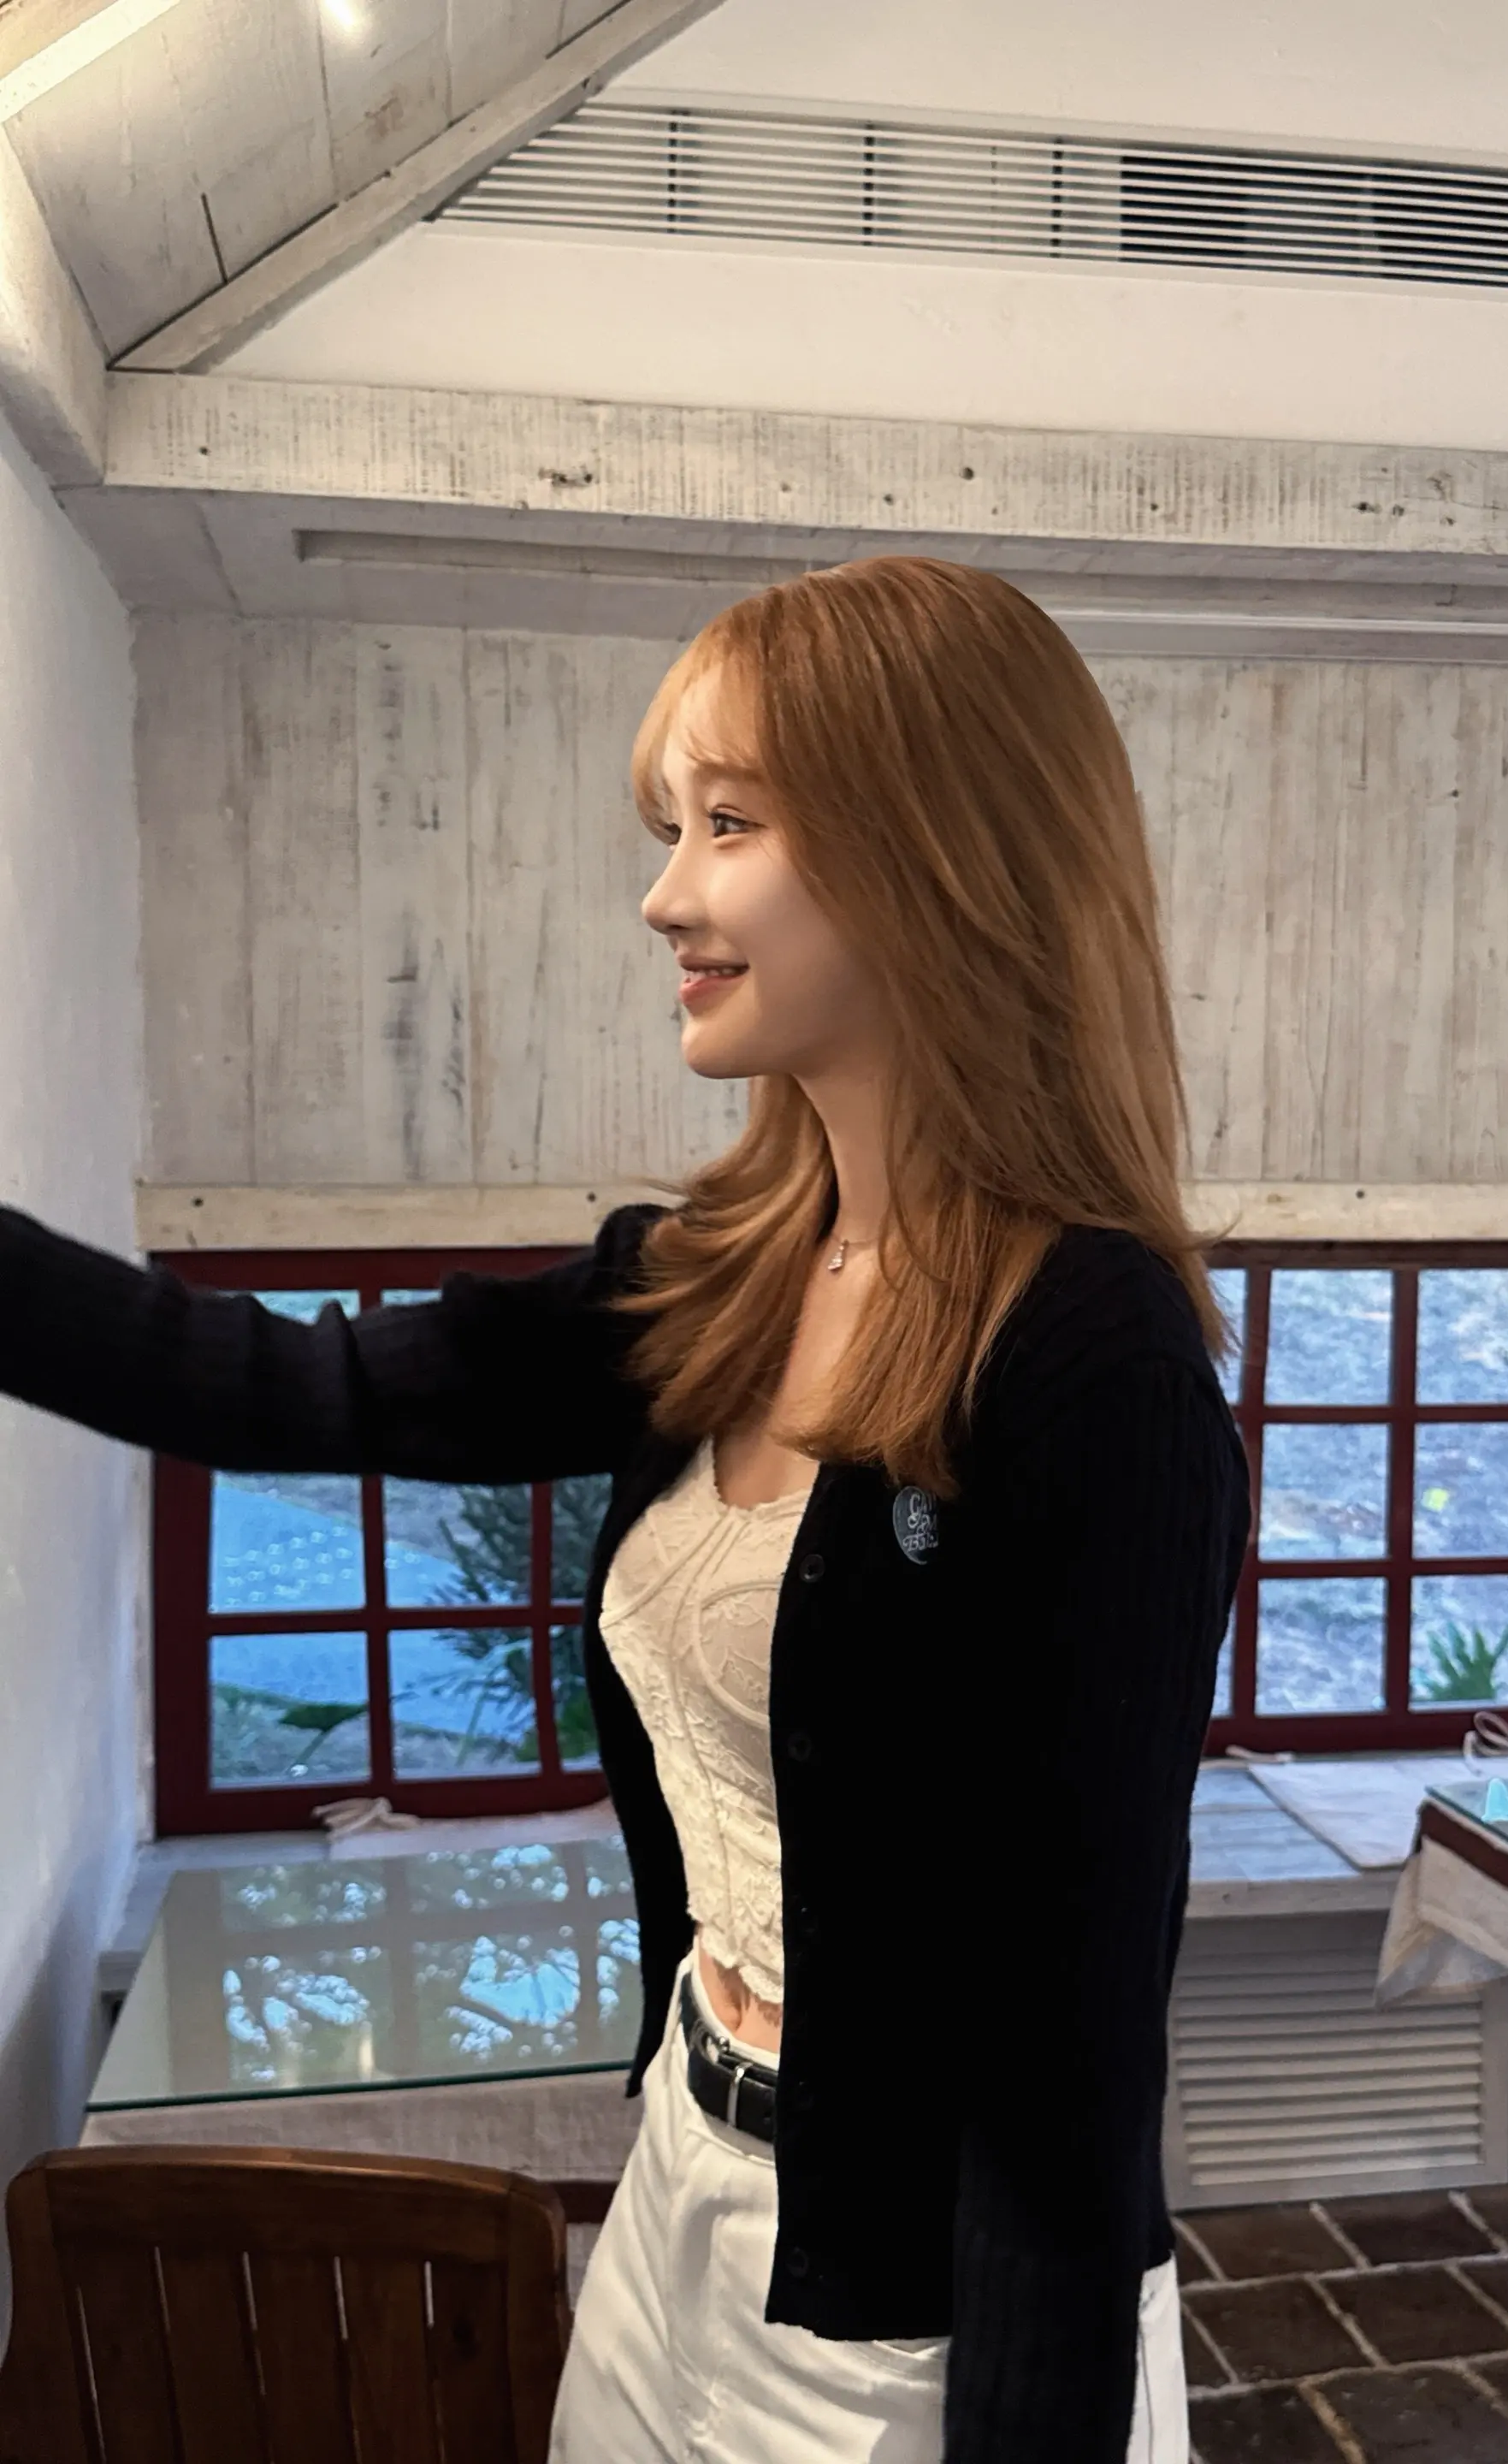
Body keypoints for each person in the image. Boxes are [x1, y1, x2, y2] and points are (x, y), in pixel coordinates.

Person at [0, 554, 1251, 2464]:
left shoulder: (1095, 1366)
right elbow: (287, 1389)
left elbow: (1071, 2035)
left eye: (729, 824)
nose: (667, 895)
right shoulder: (708, 1280)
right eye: (677, 827)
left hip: (909, 2317)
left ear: (936, 854)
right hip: (683, 2180)